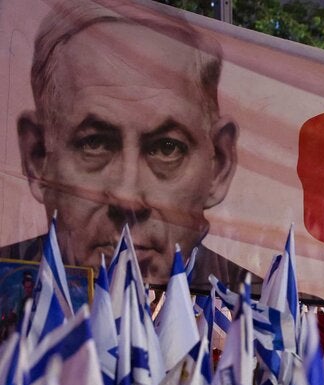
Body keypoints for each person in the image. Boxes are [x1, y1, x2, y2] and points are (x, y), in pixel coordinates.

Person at [3, 0, 254, 289]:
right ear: (37, 159)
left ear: (219, 164)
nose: (127, 198)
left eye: (167, 148)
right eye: (94, 143)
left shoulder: (272, 315)